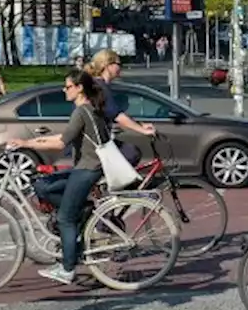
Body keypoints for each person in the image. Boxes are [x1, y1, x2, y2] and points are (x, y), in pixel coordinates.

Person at [11, 70, 109, 285]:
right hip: (86, 167)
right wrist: (33, 141)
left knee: (65, 218)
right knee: (43, 186)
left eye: (68, 87)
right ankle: (80, 210)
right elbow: (64, 136)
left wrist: (27, 144)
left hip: (87, 169)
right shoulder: (88, 110)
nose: (64, 90)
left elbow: (60, 144)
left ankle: (67, 269)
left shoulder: (82, 111)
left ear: (79, 88)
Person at [86, 49, 156, 166]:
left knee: (130, 153)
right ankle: (106, 181)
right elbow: (117, 115)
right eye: (118, 64)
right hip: (95, 142)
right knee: (132, 153)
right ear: (108, 66)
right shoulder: (100, 87)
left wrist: (139, 124)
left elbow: (115, 112)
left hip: (98, 140)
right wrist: (142, 130)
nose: (120, 67)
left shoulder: (98, 85)